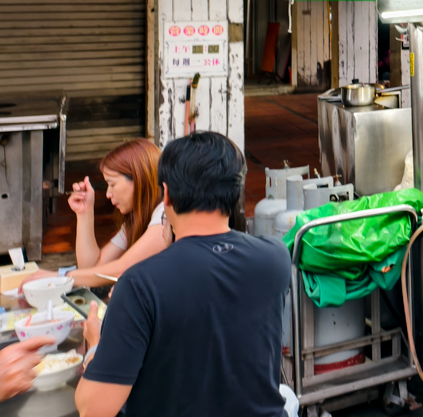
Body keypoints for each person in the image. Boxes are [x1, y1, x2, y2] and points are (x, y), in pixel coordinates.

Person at [75, 131, 290, 417]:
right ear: (236, 191)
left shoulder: (140, 284)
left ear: (166, 194)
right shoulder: (274, 257)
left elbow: (94, 409)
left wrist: (96, 346)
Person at [23, 138, 167, 290]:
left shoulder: (165, 214)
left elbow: (121, 269)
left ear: (139, 179)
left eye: (112, 184)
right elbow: (91, 267)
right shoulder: (135, 221)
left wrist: (59, 276)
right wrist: (84, 213)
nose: (108, 194)